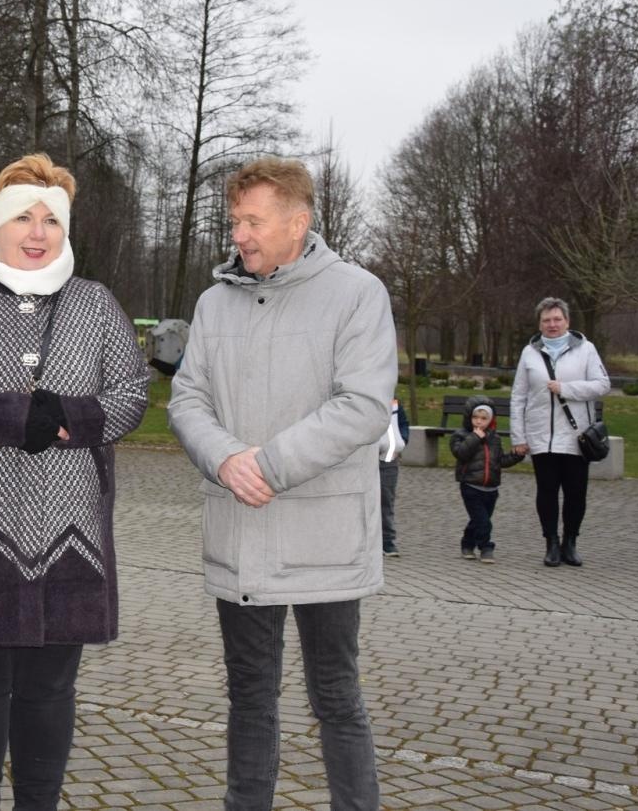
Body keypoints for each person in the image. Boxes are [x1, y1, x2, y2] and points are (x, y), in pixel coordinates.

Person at [0, 152, 149, 811]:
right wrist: (13, 416)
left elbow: (132, 395)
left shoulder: (96, 304)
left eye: (51, 220)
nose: (37, 233)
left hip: (72, 537)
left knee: (50, 691)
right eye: (22, 218)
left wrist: (68, 417)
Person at [168, 156, 397, 811]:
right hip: (241, 533)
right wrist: (225, 459)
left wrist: (265, 467)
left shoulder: (358, 294)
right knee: (249, 697)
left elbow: (362, 406)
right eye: (235, 221)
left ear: (298, 222)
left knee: (336, 697)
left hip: (325, 541)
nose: (239, 234)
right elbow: (187, 399)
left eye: (253, 221)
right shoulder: (213, 302)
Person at [509, 297, 610, 568]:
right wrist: (519, 436)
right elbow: (519, 396)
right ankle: (551, 543)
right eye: (546, 320)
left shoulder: (586, 349)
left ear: (567, 321)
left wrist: (566, 389)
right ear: (539, 323)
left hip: (576, 436)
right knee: (547, 491)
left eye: (557, 319)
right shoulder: (529, 352)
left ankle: (570, 542)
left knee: (576, 493)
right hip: (541, 435)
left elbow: (602, 385)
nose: (552, 325)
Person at [450, 398, 526, 563]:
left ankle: (467, 544)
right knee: (483, 522)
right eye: (475, 417)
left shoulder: (495, 438)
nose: (479, 421)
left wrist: (517, 455)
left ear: (491, 420)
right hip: (470, 486)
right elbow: (461, 453)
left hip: (491, 488)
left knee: (478, 520)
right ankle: (486, 547)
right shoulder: (461, 435)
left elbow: (500, 461)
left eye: (484, 418)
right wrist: (475, 437)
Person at [378, 396, 409, 556]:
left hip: (389, 458)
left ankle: (387, 540)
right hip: (366, 457)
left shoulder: (394, 403)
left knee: (386, 500)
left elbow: (403, 424)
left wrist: (401, 440)